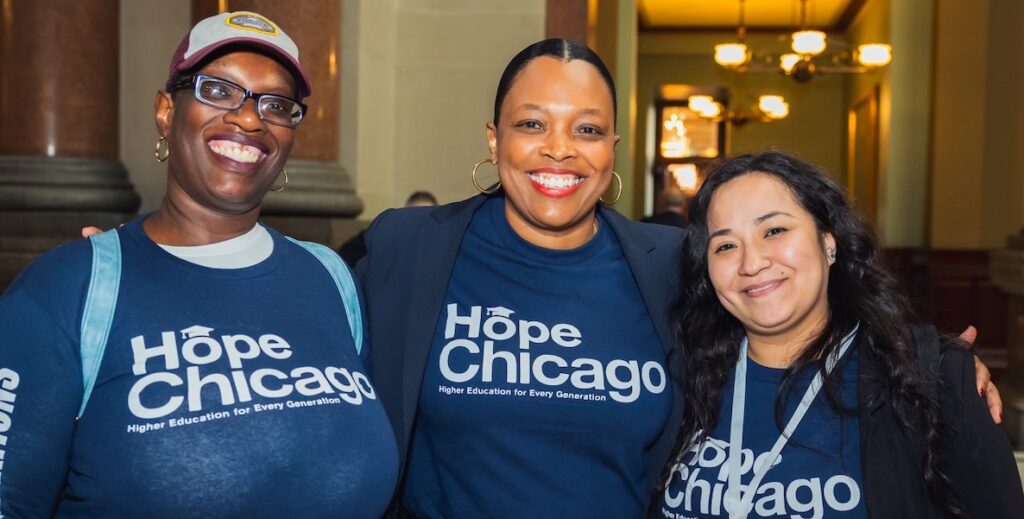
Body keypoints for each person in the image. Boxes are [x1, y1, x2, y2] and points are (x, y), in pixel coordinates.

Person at [356, 41, 1000, 518]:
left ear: (613, 147)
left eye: (587, 129)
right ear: (494, 140)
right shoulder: (408, 247)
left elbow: (789, 308)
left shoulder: (667, 262)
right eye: (532, 124)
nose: (560, 149)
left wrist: (936, 367)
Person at [0, 11, 396, 518]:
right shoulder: (69, 289)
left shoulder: (330, 277)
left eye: (276, 104)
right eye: (219, 91)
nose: (250, 119)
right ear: (167, 111)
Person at [654, 151, 1023, 518]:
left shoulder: (928, 383)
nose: (752, 263)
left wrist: (950, 371)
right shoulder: (678, 377)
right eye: (726, 245)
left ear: (828, 242)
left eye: (775, 230)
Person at [338, 190, 438, 267]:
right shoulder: (376, 242)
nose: (420, 225)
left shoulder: (441, 251)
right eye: (415, 217)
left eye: (426, 219)